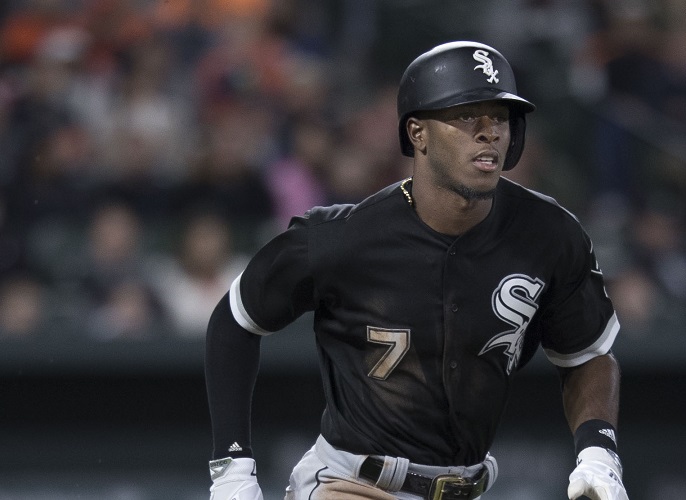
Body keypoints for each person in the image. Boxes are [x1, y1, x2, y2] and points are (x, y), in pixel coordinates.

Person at [205, 41, 629, 500]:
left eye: (500, 117)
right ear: (418, 133)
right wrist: (232, 468)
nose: (488, 132)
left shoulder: (549, 234)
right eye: (467, 116)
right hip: (354, 482)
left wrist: (598, 451)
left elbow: (587, 354)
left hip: (468, 486)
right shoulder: (345, 237)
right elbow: (235, 319)